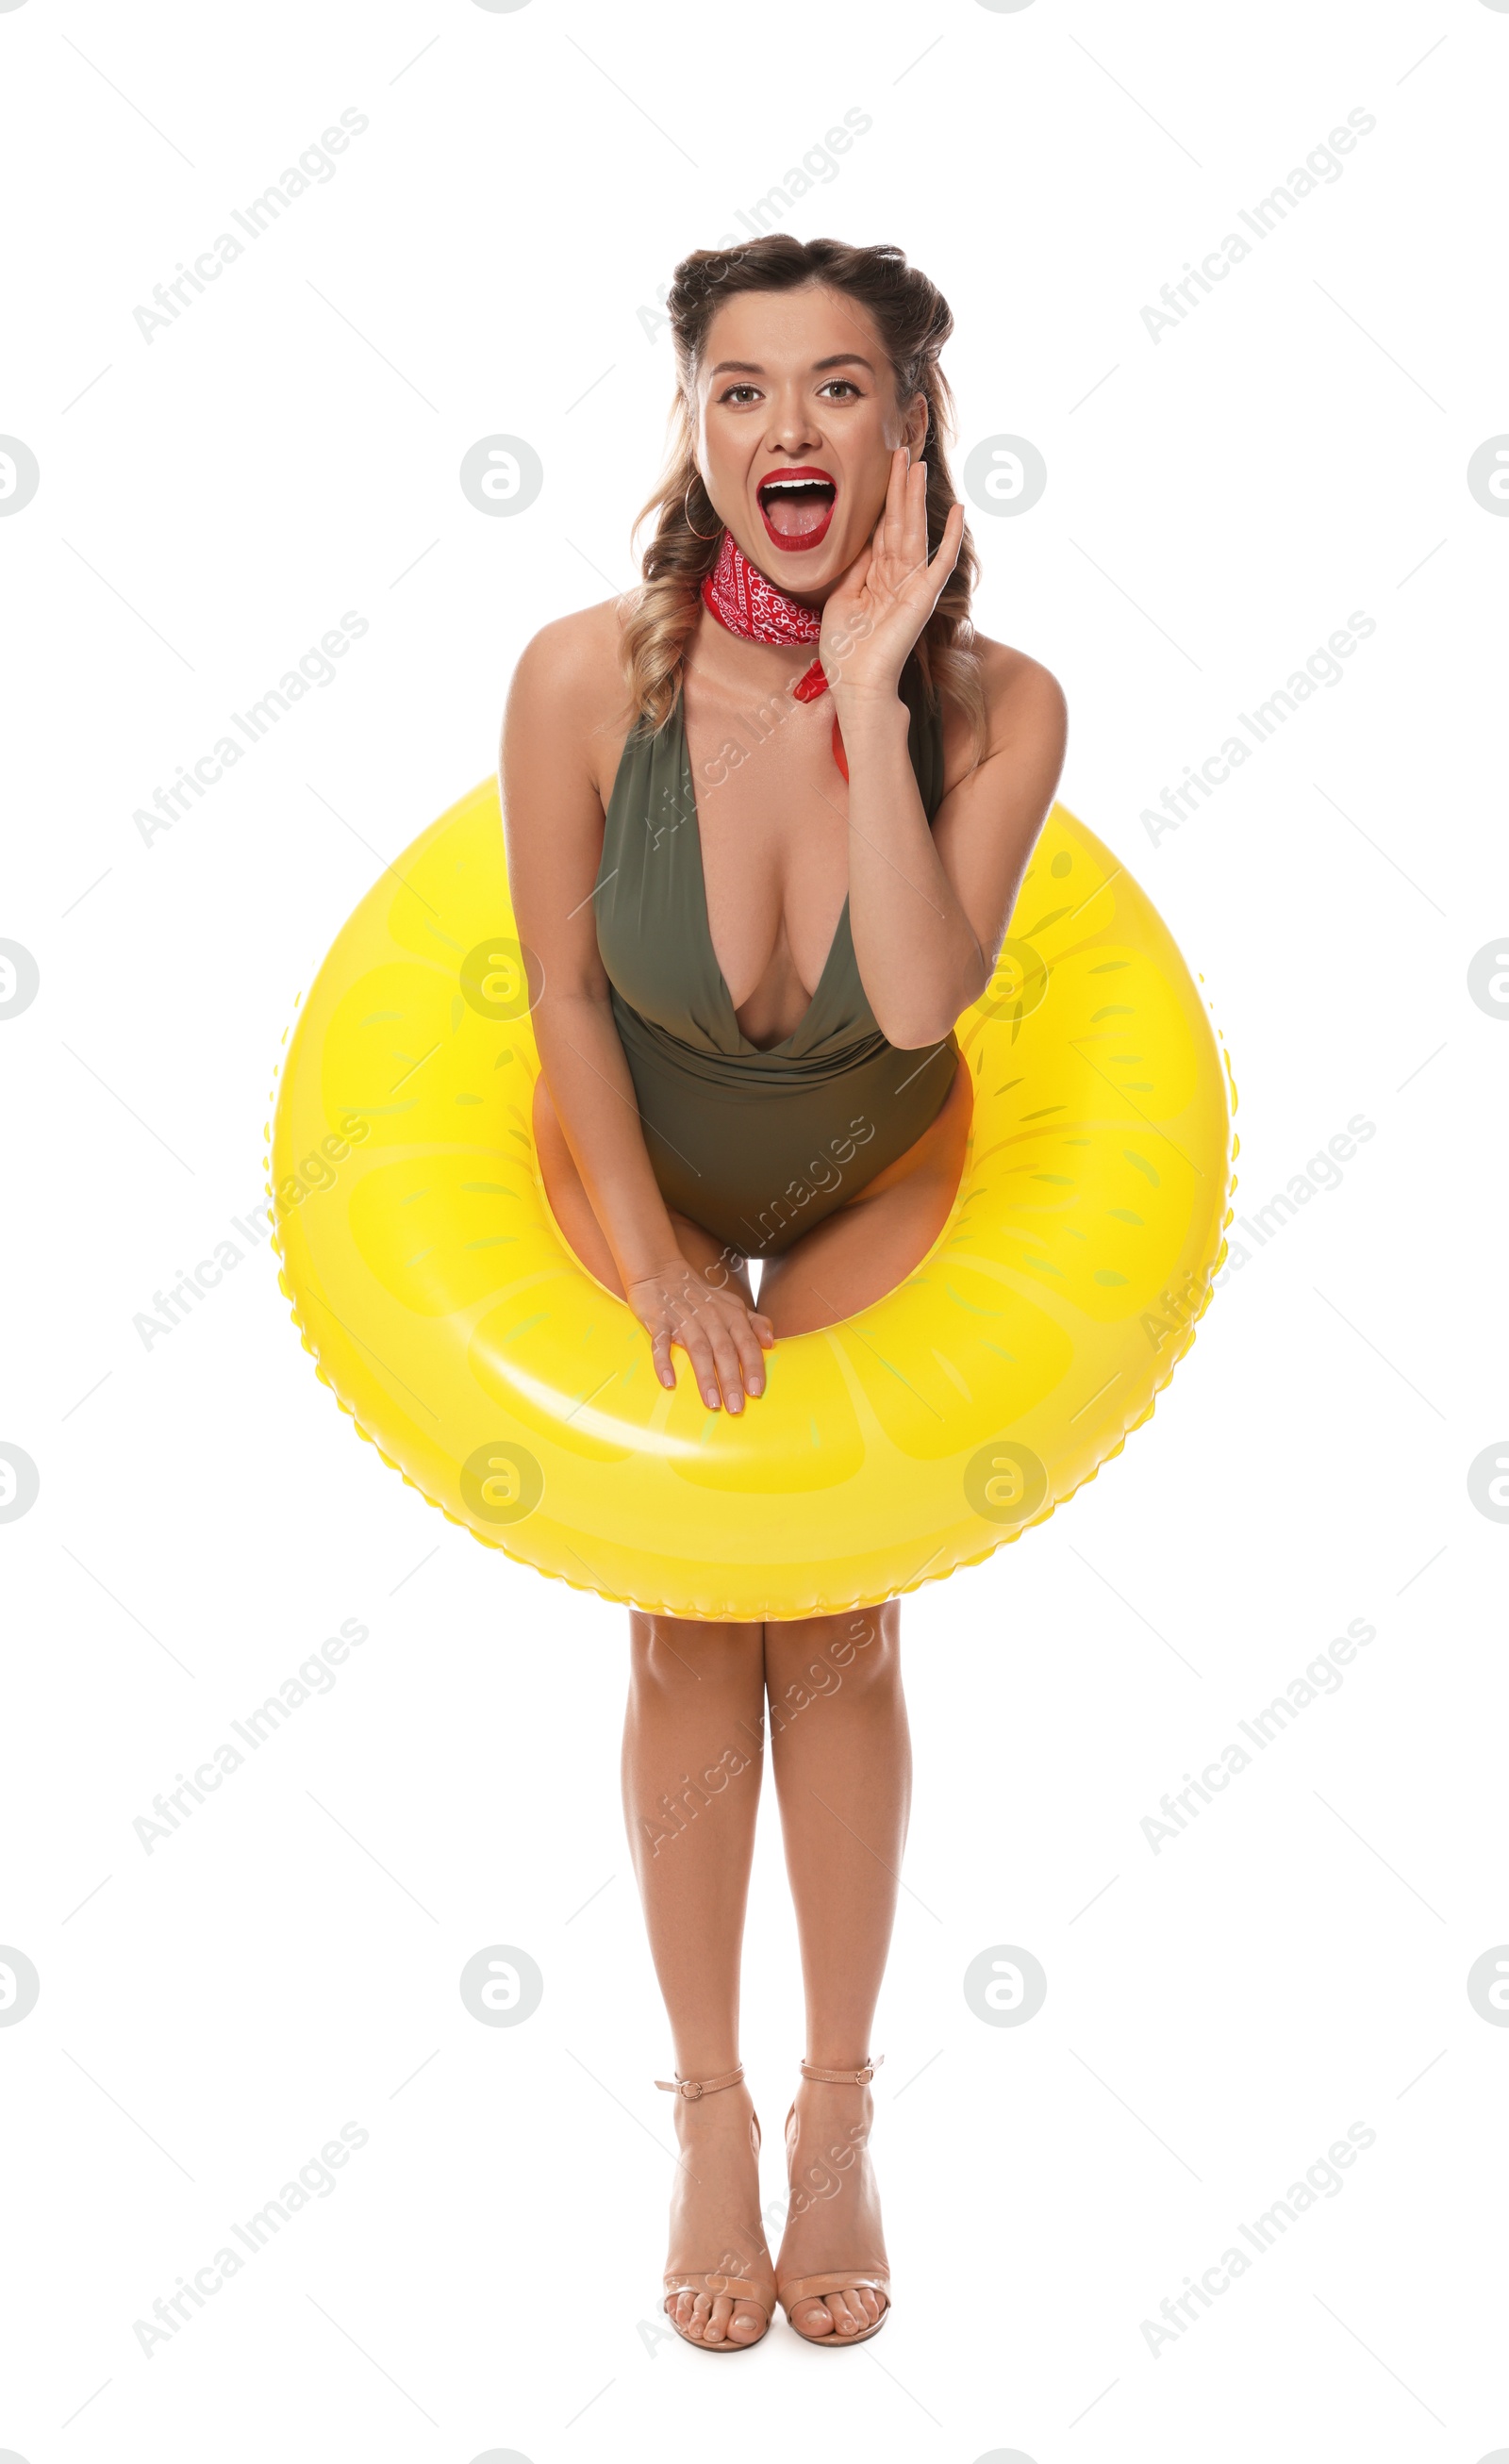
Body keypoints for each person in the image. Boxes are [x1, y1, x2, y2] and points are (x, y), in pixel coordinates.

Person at [501, 235, 1066, 2352]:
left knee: (828, 1599)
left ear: (909, 420)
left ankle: (837, 2109)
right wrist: (650, 1260)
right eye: (737, 391)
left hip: (862, 1156)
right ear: (692, 423)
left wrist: (865, 684)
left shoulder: (1003, 709)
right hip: (642, 1152)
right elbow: (562, 983)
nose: (783, 432)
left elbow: (918, 997)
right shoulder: (580, 677)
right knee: (682, 1600)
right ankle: (706, 2112)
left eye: (836, 389)